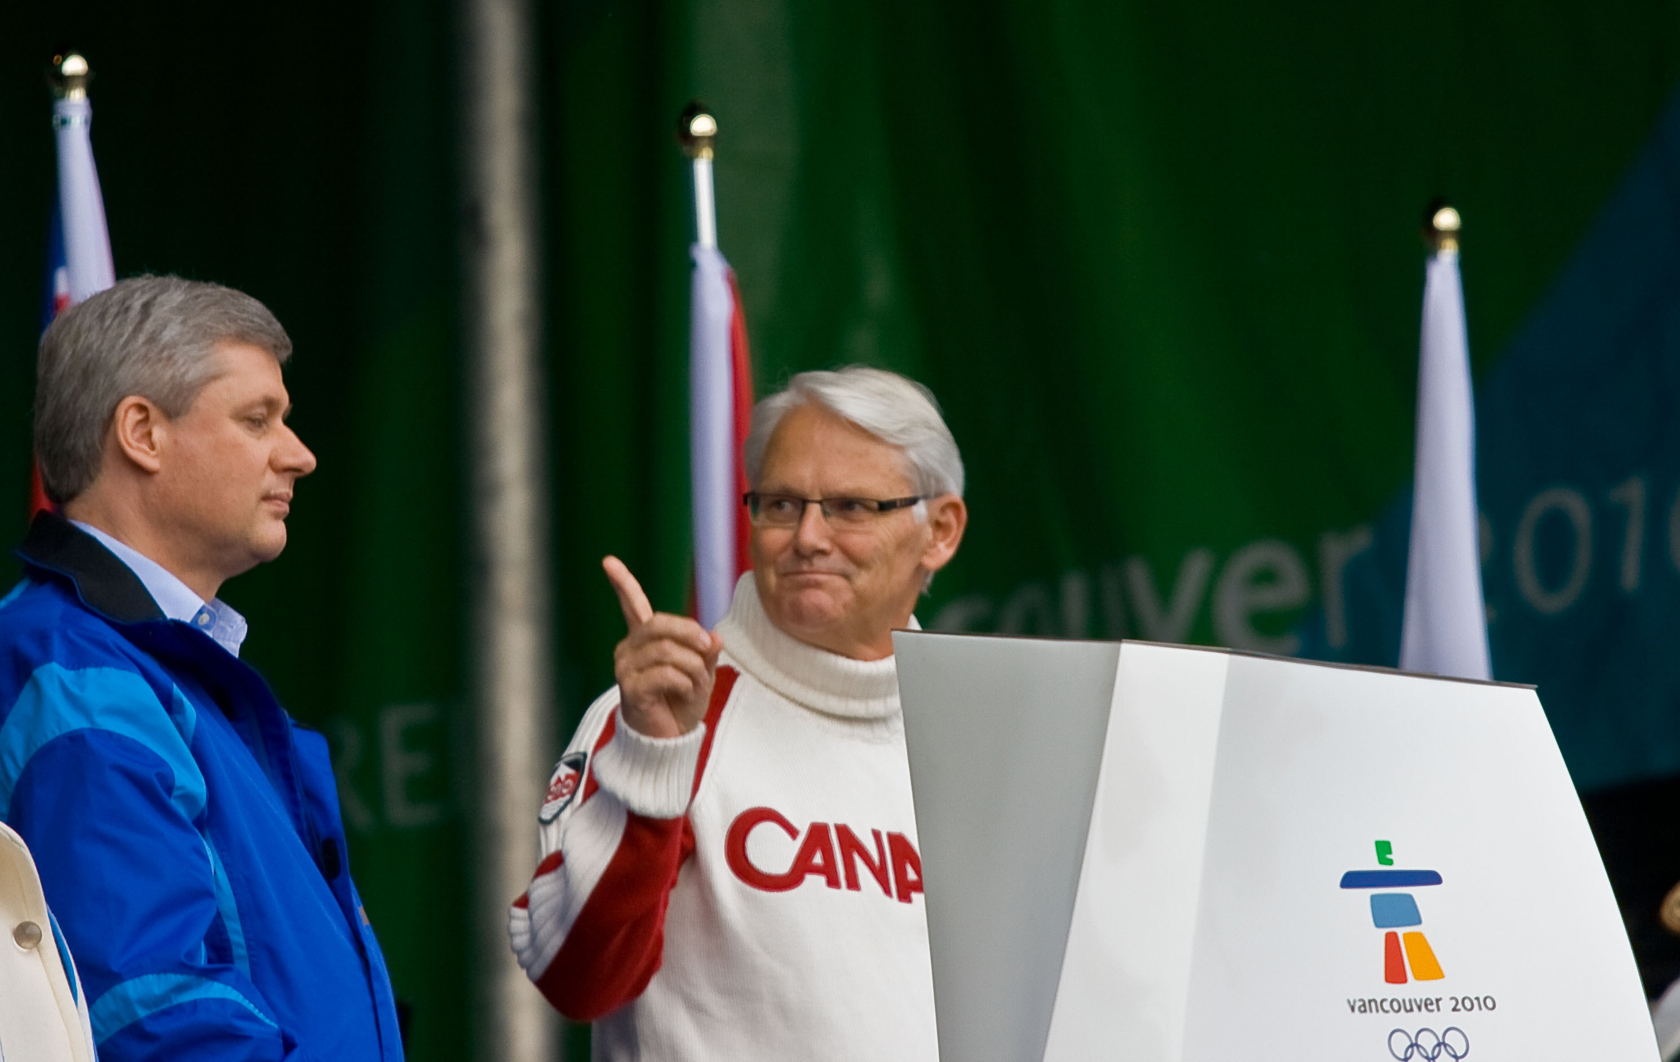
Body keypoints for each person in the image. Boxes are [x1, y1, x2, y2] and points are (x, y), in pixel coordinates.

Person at [509, 366, 968, 1061]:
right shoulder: (668, 713)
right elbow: (576, 980)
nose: (808, 537)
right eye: (781, 504)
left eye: (848, 507)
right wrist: (654, 759)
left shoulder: (980, 743)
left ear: (939, 530)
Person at [0, 275, 403, 1061]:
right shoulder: (74, 669)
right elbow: (157, 1018)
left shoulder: (151, 667)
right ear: (142, 433)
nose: (301, 454)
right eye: (259, 420)